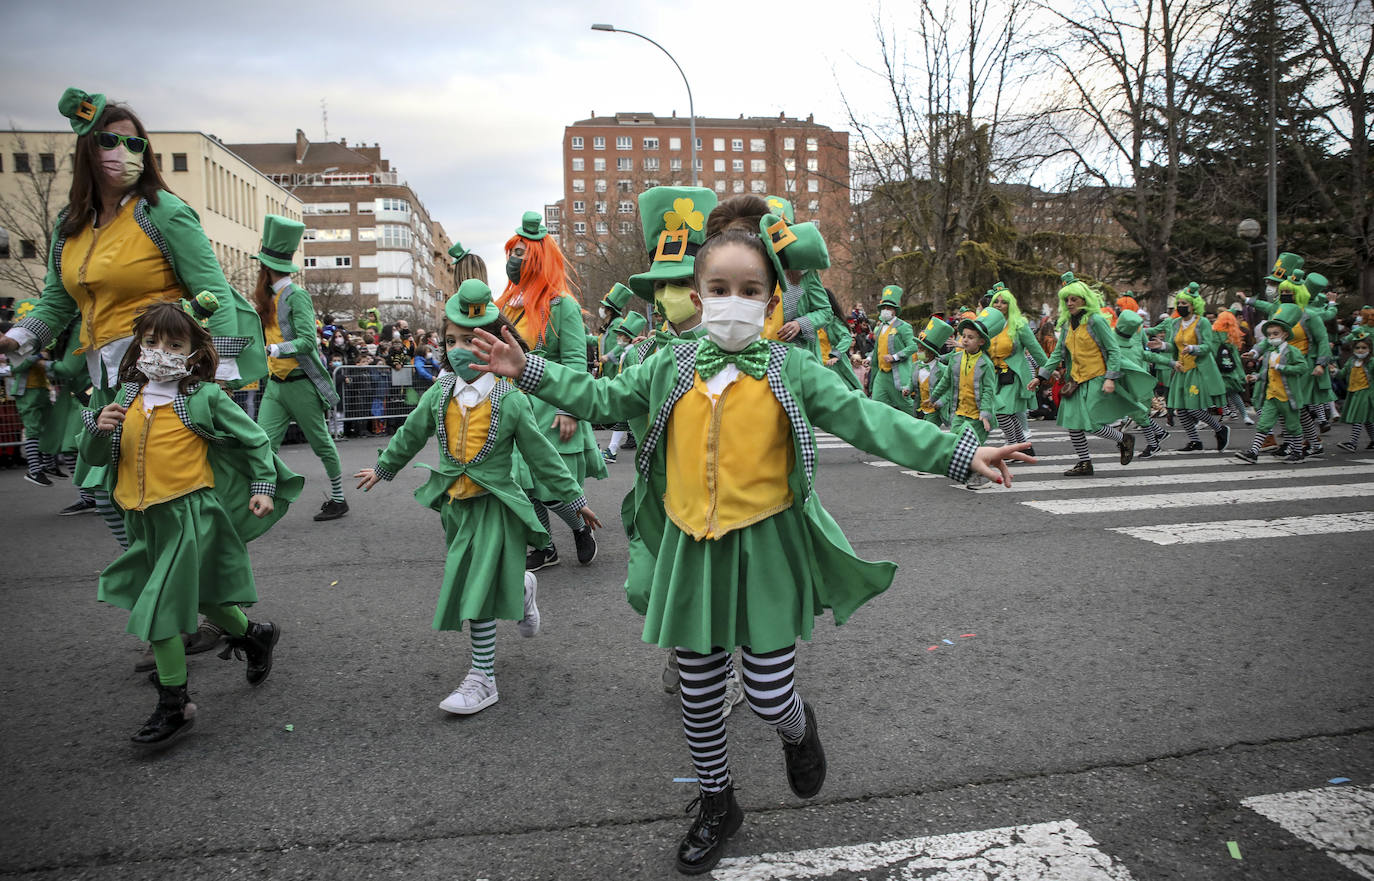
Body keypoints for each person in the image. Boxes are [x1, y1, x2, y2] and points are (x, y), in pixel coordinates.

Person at [472, 195, 1031, 875]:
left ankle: (800, 729)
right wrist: (525, 368)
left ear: (769, 297)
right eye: (719, 289)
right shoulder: (668, 367)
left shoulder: (788, 369)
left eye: (750, 289)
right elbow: (600, 398)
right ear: (698, 295)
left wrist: (960, 451)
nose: (733, 301)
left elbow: (869, 419)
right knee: (702, 697)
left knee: (768, 693)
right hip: (690, 550)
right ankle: (718, 802)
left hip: (764, 550)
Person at [0, 87, 266, 550]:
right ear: (87, 152)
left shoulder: (162, 212)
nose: (125, 153)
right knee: (111, 493)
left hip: (166, 376)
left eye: (136, 144)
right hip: (108, 380)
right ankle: (177, 598)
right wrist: (16, 338)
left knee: (182, 494)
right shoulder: (71, 224)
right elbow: (57, 302)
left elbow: (214, 293)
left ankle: (196, 603)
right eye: (110, 141)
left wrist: (217, 373)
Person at [354, 281, 599, 714]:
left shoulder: (511, 399)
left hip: (496, 506)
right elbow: (410, 433)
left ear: (495, 341)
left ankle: (482, 677)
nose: (459, 349)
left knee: (474, 586)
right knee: (477, 576)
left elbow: (542, 457)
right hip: (454, 507)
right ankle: (522, 587)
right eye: (451, 340)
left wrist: (575, 500)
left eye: (470, 339)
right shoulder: (438, 394)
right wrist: (383, 467)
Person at [78, 299, 302, 748]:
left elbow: (256, 440)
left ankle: (174, 703)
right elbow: (94, 459)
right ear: (138, 345)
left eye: (174, 343)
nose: (161, 350)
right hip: (143, 520)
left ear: (193, 351)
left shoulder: (204, 396)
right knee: (202, 598)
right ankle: (255, 636)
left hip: (189, 517)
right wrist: (97, 430)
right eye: (151, 341)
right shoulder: (124, 398)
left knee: (160, 609)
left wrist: (263, 484)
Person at [497, 211, 606, 570]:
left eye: (522, 254)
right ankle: (544, 547)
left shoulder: (563, 305)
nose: (514, 260)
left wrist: (569, 408)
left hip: (552, 402)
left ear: (539, 260)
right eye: (512, 252)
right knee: (525, 486)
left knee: (553, 486)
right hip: (516, 406)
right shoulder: (505, 309)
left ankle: (579, 528)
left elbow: (576, 360)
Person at [251, 215, 348, 521]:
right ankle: (262, 496)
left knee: (321, 442)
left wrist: (276, 349)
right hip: (276, 384)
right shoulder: (269, 299)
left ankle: (338, 498)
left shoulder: (297, 296)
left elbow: (308, 341)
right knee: (262, 443)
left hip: (301, 382)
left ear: (266, 266)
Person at [1039, 273, 1140, 476]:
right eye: (1066, 300)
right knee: (1073, 425)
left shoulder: (1095, 321)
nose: (1069, 303)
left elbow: (1113, 350)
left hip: (1096, 378)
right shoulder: (1067, 325)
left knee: (1091, 424)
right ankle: (1085, 463)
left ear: (1085, 300)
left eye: (1074, 299)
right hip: (1075, 380)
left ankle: (1124, 439)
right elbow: (1058, 352)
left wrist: (1111, 378)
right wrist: (1041, 376)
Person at [1145, 283, 1230, 452]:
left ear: (1194, 305)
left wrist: (1193, 348)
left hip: (1198, 370)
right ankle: (1195, 441)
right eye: (1179, 303)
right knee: (1181, 409)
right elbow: (1174, 347)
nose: (1181, 307)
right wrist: (1162, 346)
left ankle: (1220, 429)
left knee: (1193, 408)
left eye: (1185, 304)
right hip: (1181, 370)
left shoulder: (1202, 322)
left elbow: (1209, 346)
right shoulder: (1175, 323)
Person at [1235, 304, 1310, 464]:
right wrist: (1256, 377)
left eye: (1275, 334)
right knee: (1263, 424)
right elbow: (1269, 372)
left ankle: (1297, 452)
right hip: (1272, 395)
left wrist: (1282, 367)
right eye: (1269, 335)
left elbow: (1303, 368)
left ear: (1285, 334)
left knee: (1293, 426)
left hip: (1289, 397)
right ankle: (1253, 453)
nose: (1272, 337)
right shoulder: (1270, 353)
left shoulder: (1292, 352)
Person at [986, 285, 1050, 452]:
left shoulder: (1019, 324)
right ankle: (1024, 447)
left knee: (1002, 412)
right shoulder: (988, 325)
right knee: (1009, 413)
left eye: (1004, 302)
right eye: (996, 302)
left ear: (1010, 305)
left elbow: (1035, 349)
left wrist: (1048, 370)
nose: (999, 305)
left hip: (1014, 376)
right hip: (995, 376)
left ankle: (1014, 448)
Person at [868, 285, 919, 414]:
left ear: (895, 310)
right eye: (883, 308)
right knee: (876, 404)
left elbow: (913, 346)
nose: (885, 310)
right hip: (881, 373)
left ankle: (919, 428)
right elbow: (878, 348)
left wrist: (895, 356)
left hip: (896, 373)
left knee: (906, 405)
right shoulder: (880, 328)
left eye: (889, 308)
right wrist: (869, 358)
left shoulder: (903, 327)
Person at [1336, 328, 1373, 452]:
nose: (1360, 350)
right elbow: (1342, 374)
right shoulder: (1352, 362)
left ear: (1370, 349)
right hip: (1353, 392)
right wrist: (1333, 371)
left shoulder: (1372, 362)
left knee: (1358, 418)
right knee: (1367, 420)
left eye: (1364, 348)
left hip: (1366, 393)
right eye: (1357, 348)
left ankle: (1352, 443)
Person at [1212, 309, 1252, 424]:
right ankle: (1243, 415)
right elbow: (1236, 359)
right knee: (1232, 394)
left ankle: (1227, 412)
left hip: (1217, 369)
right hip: (1229, 370)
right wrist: (1241, 374)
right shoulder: (1233, 336)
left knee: (1217, 392)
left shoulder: (1214, 335)